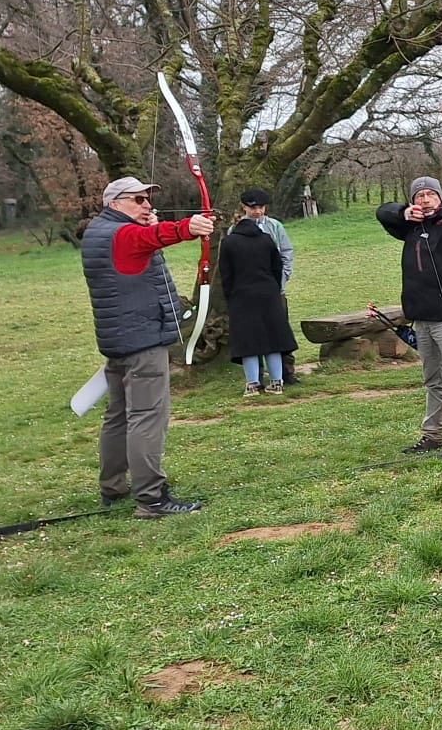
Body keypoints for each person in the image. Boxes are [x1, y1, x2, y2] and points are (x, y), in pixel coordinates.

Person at [83, 176, 215, 517]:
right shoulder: (122, 235)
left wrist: (154, 226)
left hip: (119, 338)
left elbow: (143, 247)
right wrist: (190, 227)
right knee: (146, 417)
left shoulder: (100, 232)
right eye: (138, 200)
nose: (146, 206)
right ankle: (151, 498)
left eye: (147, 200)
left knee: (118, 416)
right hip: (142, 340)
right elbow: (149, 238)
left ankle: (113, 487)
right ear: (115, 203)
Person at [376, 176, 442, 460]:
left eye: (430, 195)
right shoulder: (409, 227)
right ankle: (434, 435)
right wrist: (403, 213)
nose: (425, 200)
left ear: (440, 197)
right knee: (433, 380)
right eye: (419, 195)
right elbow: (382, 212)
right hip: (420, 317)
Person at [217, 195, 298, 396]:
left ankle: (252, 383)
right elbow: (277, 263)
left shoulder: (230, 241)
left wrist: (231, 294)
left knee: (248, 341)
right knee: (274, 338)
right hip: (269, 292)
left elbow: (225, 272)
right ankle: (276, 382)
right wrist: (274, 285)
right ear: (244, 208)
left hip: (242, 295)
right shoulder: (266, 239)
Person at [240, 186, 298, 383]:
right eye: (253, 207)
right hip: (249, 291)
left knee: (279, 330)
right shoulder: (236, 230)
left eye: (261, 207)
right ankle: (258, 377)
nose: (258, 211)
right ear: (244, 207)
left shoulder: (275, 226)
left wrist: (283, 278)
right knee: (254, 332)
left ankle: (287, 373)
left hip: (274, 287)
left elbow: (286, 252)